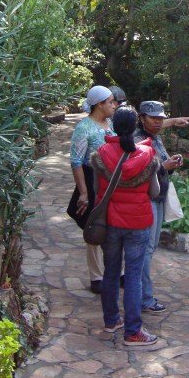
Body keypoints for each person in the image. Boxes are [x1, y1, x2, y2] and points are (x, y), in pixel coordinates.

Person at [91, 106, 160, 345]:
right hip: (138, 223)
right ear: (135, 126)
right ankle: (133, 331)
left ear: (113, 126)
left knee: (110, 271)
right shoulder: (147, 155)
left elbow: (97, 190)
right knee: (133, 276)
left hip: (110, 222)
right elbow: (154, 192)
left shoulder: (101, 154)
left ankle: (111, 320)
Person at [134, 101, 184, 314]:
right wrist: (164, 166)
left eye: (160, 118)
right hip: (146, 199)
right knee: (145, 249)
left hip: (158, 197)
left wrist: (170, 165)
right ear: (142, 118)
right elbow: (138, 171)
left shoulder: (156, 137)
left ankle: (141, 294)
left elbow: (160, 166)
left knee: (151, 247)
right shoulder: (137, 140)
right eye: (153, 118)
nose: (158, 122)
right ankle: (144, 297)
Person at [70, 85, 117, 293]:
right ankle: (96, 276)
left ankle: (117, 271)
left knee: (114, 226)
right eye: (110, 102)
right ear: (100, 104)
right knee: (94, 226)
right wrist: (83, 192)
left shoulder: (111, 124)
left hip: (112, 181)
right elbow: (76, 161)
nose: (114, 106)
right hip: (93, 180)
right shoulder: (84, 128)